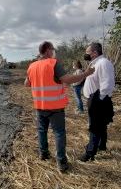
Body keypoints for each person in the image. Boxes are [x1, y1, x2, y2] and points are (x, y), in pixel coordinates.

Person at [24, 41, 94, 172]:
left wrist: (38, 80)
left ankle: (43, 153)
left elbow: (26, 84)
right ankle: (61, 162)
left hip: (40, 106)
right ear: (47, 50)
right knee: (59, 133)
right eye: (52, 49)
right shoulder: (53, 63)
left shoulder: (32, 66)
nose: (53, 51)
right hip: (55, 107)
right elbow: (67, 79)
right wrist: (85, 74)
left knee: (41, 131)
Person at [79, 42, 115, 162]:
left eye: (87, 52)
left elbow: (108, 83)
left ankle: (90, 153)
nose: (86, 54)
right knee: (101, 125)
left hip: (97, 100)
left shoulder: (103, 63)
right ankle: (101, 146)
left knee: (94, 127)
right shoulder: (95, 63)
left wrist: (99, 99)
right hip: (94, 99)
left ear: (94, 52)